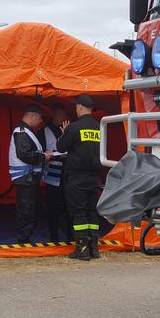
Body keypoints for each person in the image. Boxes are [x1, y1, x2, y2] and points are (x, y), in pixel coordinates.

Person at [56, 95, 103, 261]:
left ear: (81, 108)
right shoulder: (100, 128)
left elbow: (60, 147)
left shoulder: (74, 128)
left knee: (79, 213)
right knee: (92, 211)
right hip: (94, 178)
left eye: (76, 106)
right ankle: (94, 249)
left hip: (76, 177)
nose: (75, 109)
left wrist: (63, 134)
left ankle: (82, 250)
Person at [9, 105, 53, 244]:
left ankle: (25, 238)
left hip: (28, 179)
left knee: (31, 209)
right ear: (32, 116)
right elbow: (24, 154)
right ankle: (22, 241)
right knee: (26, 211)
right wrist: (43, 157)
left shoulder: (27, 131)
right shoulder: (22, 132)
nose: (40, 122)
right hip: (25, 179)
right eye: (40, 118)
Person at [40, 105, 72, 242]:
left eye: (64, 114)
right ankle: (53, 235)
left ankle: (70, 235)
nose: (62, 117)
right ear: (53, 114)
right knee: (53, 207)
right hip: (53, 174)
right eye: (59, 113)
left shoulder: (70, 130)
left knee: (68, 206)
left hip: (68, 174)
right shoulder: (43, 132)